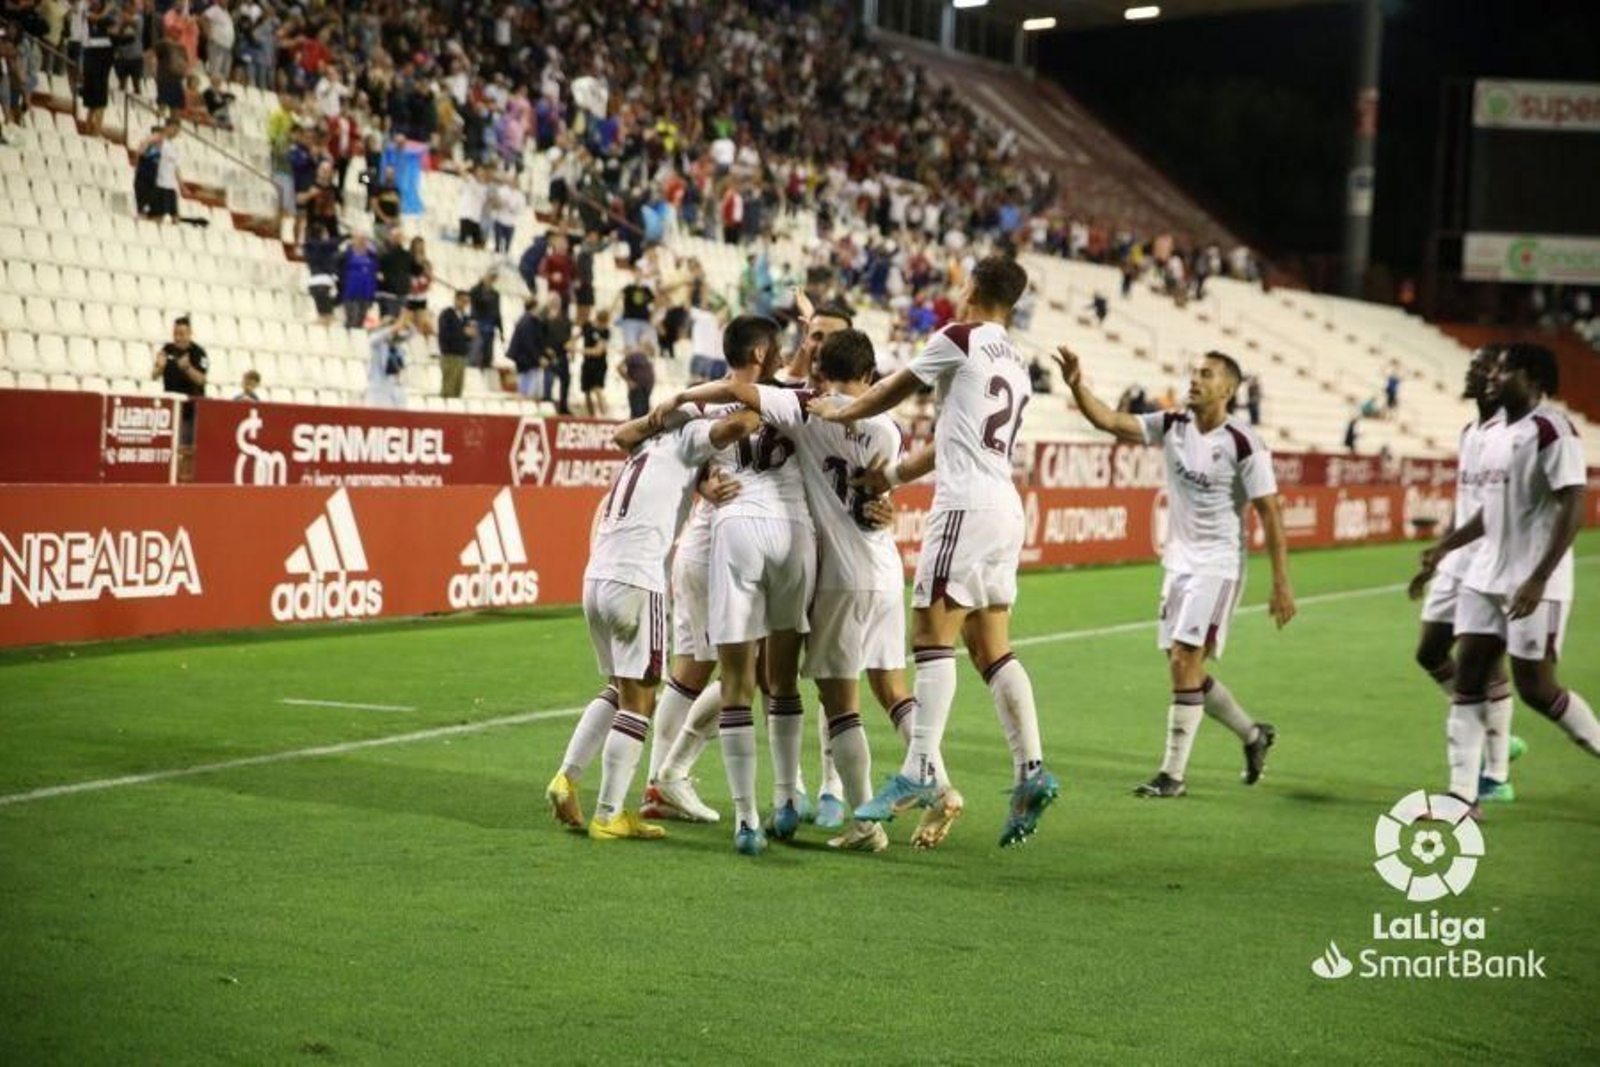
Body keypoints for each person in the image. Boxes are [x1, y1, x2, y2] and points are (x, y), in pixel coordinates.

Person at [808, 256, 1059, 848]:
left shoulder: (958, 338)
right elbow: (954, 438)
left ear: (972, 287)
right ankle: (1032, 769)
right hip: (1003, 506)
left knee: (930, 635)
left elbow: (893, 389)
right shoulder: (1017, 361)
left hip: (966, 508)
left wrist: (840, 409)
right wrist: (891, 475)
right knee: (991, 646)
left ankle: (920, 766)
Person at [657, 328, 922, 853]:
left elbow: (742, 398)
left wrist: (684, 400)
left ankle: (759, 815)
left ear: (823, 370)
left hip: (805, 560)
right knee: (827, 685)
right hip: (858, 564)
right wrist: (885, 506)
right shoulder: (886, 430)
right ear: (870, 374)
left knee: (752, 680)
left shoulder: (805, 408)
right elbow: (877, 490)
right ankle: (807, 793)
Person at [1059, 346, 1295, 797]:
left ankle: (1172, 776)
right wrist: (1075, 385)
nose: (1194, 380)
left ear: (1228, 389)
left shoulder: (1245, 442)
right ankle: (1252, 735)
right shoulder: (1172, 425)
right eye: (1193, 373)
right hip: (1179, 562)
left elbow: (1270, 512)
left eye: (1205, 375)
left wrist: (1281, 582)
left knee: (1185, 658)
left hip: (1219, 564)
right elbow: (1110, 422)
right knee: (1181, 665)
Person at [545, 405, 755, 840]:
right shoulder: (689, 438)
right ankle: (609, 814)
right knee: (639, 701)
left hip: (597, 578)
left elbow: (624, 435)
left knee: (617, 688)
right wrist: (754, 402)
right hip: (637, 582)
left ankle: (566, 777)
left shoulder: (644, 446)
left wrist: (700, 480)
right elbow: (738, 424)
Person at [1412, 343, 1598, 811]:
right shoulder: (1496, 434)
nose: (1494, 377)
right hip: (1484, 575)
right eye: (1493, 370)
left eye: (1505, 370)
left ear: (1533, 378)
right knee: (1470, 675)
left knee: (1537, 689)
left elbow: (1574, 502)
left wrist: (1538, 578)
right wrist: (1447, 546)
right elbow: (1489, 512)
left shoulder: (1552, 429)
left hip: (1533, 581)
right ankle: (1463, 793)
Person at [1409, 346, 1520, 804]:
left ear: (1501, 378)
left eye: (1484, 367)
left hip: (1492, 559)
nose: (1473, 372)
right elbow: (1466, 500)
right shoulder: (1468, 430)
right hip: (1459, 556)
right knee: (1430, 651)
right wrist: (1441, 553)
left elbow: (1499, 508)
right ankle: (1495, 728)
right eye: (1472, 364)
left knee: (1486, 661)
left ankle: (1495, 773)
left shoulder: (1510, 434)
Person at [151, 316, 209, 443]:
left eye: (182, 334)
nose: (178, 338)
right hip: (171, 409)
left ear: (189, 334)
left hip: (190, 412)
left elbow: (201, 380)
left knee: (186, 450)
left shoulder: (198, 352)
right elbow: (154, 376)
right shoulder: (167, 349)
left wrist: (187, 368)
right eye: (175, 334)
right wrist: (160, 367)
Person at [366, 308, 413, 409]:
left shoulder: (397, 345)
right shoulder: (377, 343)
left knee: (400, 420)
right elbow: (380, 336)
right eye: (389, 326)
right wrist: (395, 326)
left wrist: (406, 322)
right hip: (379, 388)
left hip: (397, 386)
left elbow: (411, 333)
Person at [505, 296, 548, 404]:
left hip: (529, 361)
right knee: (527, 391)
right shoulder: (526, 322)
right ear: (534, 307)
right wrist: (538, 358)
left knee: (532, 390)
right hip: (526, 362)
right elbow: (528, 343)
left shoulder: (532, 321)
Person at [436, 289, 475, 400]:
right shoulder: (446, 314)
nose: (465, 304)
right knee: (448, 388)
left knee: (458, 388)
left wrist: (470, 335)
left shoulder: (465, 317)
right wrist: (463, 332)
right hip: (450, 355)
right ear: (456, 299)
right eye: (463, 301)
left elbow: (467, 336)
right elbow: (444, 333)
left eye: (467, 302)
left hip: (462, 355)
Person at [337, 232, 380, 329]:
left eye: (364, 240)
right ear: (354, 241)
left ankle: (356, 341)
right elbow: (336, 263)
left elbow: (376, 272)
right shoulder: (347, 255)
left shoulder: (372, 257)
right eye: (359, 240)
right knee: (353, 318)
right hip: (350, 292)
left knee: (361, 321)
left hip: (366, 293)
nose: (362, 242)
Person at [541, 294, 573, 415]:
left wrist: (570, 348)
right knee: (548, 380)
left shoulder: (566, 319)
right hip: (549, 355)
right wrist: (544, 350)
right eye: (552, 301)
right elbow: (539, 337)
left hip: (562, 355)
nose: (555, 303)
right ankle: (547, 404)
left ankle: (563, 406)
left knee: (565, 381)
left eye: (557, 301)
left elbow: (568, 337)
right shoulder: (543, 318)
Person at [579, 308, 611, 417]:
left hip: (599, 364)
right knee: (586, 391)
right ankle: (591, 416)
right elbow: (578, 335)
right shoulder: (588, 326)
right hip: (587, 363)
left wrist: (578, 350)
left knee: (598, 389)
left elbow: (598, 351)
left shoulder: (606, 332)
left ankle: (605, 415)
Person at [468, 269, 502, 369]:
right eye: (490, 277)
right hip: (479, 321)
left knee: (489, 345)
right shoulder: (477, 290)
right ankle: (477, 362)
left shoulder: (495, 294)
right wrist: (481, 283)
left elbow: (497, 311)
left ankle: (487, 361)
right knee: (478, 344)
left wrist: (501, 329)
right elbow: (474, 298)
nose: (491, 280)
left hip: (490, 323)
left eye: (493, 278)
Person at [620, 344, 653, 420]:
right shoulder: (635, 356)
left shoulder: (646, 359)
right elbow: (620, 367)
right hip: (637, 391)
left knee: (643, 416)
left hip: (645, 391)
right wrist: (629, 381)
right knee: (636, 416)